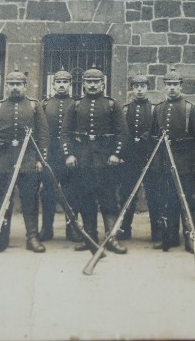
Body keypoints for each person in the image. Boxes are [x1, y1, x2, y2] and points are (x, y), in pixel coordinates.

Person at [60, 67, 128, 254]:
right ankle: (90, 238)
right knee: (85, 199)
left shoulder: (112, 105)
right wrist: (69, 154)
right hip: (82, 161)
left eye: (95, 81)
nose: (92, 84)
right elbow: (65, 133)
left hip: (106, 161)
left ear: (102, 84)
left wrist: (116, 154)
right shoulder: (75, 105)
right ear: (83, 84)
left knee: (109, 200)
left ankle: (111, 238)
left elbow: (122, 133)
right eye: (88, 81)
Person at [0, 69, 50, 253]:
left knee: (30, 200)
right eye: (11, 84)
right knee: (3, 200)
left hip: (28, 160)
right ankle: (1, 238)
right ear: (6, 87)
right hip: (2, 160)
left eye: (18, 85)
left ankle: (32, 238)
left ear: (25, 87)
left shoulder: (35, 106)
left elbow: (43, 135)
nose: (15, 88)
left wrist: (40, 159)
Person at [149, 69, 195, 252]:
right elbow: (152, 136)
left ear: (181, 86)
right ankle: (171, 236)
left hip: (184, 162)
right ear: (165, 86)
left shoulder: (190, 109)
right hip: (164, 162)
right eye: (169, 85)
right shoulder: (158, 109)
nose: (172, 88)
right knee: (168, 200)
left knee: (186, 200)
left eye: (175, 85)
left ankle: (190, 236)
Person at [117, 75, 158, 242]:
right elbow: (121, 132)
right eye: (136, 86)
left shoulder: (155, 109)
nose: (139, 89)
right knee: (127, 194)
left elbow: (157, 131)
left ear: (147, 88)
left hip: (150, 158)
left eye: (142, 86)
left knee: (154, 195)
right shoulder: (125, 109)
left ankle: (157, 231)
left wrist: (145, 138)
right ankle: (124, 229)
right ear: (132, 89)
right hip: (130, 159)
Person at [39, 68, 78, 242]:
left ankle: (72, 229)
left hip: (70, 156)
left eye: (65, 82)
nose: (62, 85)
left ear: (70, 85)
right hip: (51, 156)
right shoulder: (45, 104)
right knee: (48, 193)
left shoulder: (76, 104)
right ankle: (47, 229)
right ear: (53, 85)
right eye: (58, 82)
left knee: (71, 192)